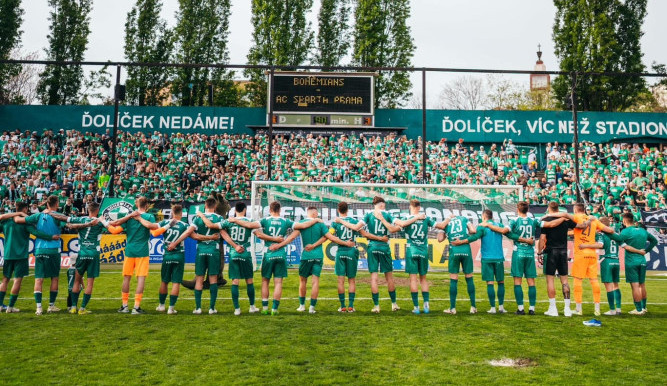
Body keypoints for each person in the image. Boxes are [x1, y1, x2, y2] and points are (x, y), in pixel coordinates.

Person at [483, 202, 567, 315]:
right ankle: (532, 309)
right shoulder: (533, 220)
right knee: (531, 281)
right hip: (529, 253)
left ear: (518, 209)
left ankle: (521, 308)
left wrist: (488, 225)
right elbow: (551, 225)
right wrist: (563, 218)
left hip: (518, 253)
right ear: (527, 210)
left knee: (518, 281)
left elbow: (504, 231)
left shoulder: (514, 220)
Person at [549, 203, 618, 316]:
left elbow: (565, 215)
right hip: (592, 254)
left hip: (581, 253)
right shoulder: (594, 220)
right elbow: (610, 231)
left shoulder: (576, 217)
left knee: (578, 281)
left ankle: (578, 309)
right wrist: (597, 229)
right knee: (594, 281)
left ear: (576, 209)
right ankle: (597, 309)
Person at [49, 202, 119, 314]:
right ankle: (82, 308)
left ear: (87, 209)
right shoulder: (100, 221)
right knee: (90, 283)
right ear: (97, 210)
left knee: (77, 280)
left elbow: (63, 218)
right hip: (94, 254)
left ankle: (73, 307)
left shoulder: (81, 220)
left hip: (81, 253)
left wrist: (51, 213)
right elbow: (114, 227)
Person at [335, 196, 401, 313]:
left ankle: (376, 306)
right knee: (389, 277)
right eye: (384, 204)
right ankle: (394, 304)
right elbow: (395, 228)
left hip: (372, 247)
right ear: (381, 204)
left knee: (374, 278)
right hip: (384, 247)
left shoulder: (368, 215)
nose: (384, 206)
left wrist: (341, 221)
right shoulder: (387, 214)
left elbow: (357, 228)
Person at [455, 209, 527, 314]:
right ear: (492, 217)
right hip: (499, 258)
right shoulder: (500, 226)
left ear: (484, 217)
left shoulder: (482, 227)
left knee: (490, 283)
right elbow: (511, 235)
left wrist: (462, 241)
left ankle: (493, 308)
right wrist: (525, 240)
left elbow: (474, 237)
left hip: (487, 259)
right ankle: (501, 307)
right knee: (501, 282)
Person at [198, 201, 260, 315]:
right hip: (245, 253)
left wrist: (234, 246)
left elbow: (212, 226)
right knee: (249, 281)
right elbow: (258, 232)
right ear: (245, 210)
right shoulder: (250, 221)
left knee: (235, 281)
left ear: (235, 210)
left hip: (234, 253)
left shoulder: (227, 221)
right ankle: (252, 307)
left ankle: (237, 309)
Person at [291, 207, 353, 314]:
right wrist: (346, 243)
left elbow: (292, 237)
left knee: (302, 281)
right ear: (314, 213)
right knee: (315, 282)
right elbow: (331, 237)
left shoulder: (301, 223)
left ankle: (301, 306)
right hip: (318, 256)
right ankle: (311, 308)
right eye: (317, 213)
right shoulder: (320, 224)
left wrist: (279, 244)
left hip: (306, 255)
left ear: (307, 213)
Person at [0, 202, 58, 313]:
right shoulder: (25, 223)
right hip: (21, 256)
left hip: (7, 255)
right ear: (25, 209)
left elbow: (1, 217)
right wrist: (51, 237)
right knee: (17, 281)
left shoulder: (6, 222)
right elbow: (37, 233)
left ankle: (1, 305)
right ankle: (10, 307)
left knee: (5, 280)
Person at [109, 197, 159, 315]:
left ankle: (125, 305)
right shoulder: (149, 216)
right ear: (146, 205)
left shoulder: (130, 217)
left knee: (127, 278)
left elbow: (116, 227)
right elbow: (153, 227)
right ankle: (136, 307)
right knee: (141, 278)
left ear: (136, 205)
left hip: (130, 251)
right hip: (142, 251)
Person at [17, 195, 65, 315]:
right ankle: (51, 306)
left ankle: (38, 308)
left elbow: (20, 220)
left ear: (47, 204)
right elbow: (68, 225)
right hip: (53, 250)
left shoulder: (38, 215)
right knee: (54, 277)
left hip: (39, 250)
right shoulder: (59, 216)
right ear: (57, 203)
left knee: (39, 279)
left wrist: (33, 227)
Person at [537, 201, 577, 317]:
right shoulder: (565, 220)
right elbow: (579, 225)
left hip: (551, 251)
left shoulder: (546, 220)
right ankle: (567, 309)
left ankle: (553, 308)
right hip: (563, 251)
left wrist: (539, 252)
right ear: (558, 208)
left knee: (550, 280)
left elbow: (542, 238)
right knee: (564, 280)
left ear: (549, 208)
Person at [394, 200, 434, 314]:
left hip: (411, 249)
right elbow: (440, 226)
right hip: (423, 250)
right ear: (419, 207)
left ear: (410, 206)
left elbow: (398, 226)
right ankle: (426, 304)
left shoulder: (407, 218)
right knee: (423, 279)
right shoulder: (426, 218)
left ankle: (416, 307)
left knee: (413, 279)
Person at [615, 212, 658, 315]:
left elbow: (619, 242)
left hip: (631, 261)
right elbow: (654, 241)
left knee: (635, 286)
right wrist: (646, 251)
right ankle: (644, 307)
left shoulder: (625, 232)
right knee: (642, 285)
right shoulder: (643, 231)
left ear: (624, 221)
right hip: (642, 260)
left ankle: (638, 310)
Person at [436, 213, 479, 314]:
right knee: (469, 277)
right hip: (466, 249)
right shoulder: (464, 219)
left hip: (454, 250)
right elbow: (473, 230)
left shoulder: (447, 222)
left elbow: (439, 239)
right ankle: (473, 307)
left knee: (453, 279)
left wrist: (444, 230)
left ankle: (453, 308)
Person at [188, 198, 225, 314]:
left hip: (201, 250)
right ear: (215, 206)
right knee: (213, 279)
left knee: (199, 279)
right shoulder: (219, 218)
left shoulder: (197, 218)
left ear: (205, 205)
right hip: (214, 250)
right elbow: (222, 232)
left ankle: (198, 308)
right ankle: (211, 308)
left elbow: (192, 234)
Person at [152, 204, 189, 315]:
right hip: (179, 255)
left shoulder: (164, 223)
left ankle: (161, 306)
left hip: (167, 255)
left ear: (172, 213)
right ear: (181, 213)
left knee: (164, 281)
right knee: (176, 282)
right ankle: (171, 308)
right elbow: (194, 236)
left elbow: (153, 229)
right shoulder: (184, 225)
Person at [593, 217, 622, 315]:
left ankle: (612, 310)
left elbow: (600, 245)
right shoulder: (615, 234)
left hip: (606, 260)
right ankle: (618, 308)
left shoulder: (601, 234)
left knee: (608, 286)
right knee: (616, 285)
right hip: (616, 260)